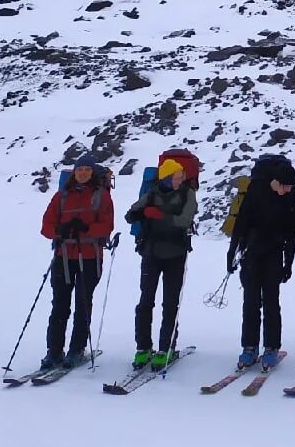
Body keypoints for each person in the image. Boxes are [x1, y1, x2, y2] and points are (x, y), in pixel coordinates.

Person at [38, 152, 116, 369]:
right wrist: (59, 230)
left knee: (83, 303)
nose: (83, 173)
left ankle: (76, 349)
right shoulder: (61, 196)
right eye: (80, 170)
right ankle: (53, 352)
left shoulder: (101, 196)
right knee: (60, 305)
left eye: (87, 170)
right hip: (64, 256)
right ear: (75, 172)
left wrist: (86, 230)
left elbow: (107, 225)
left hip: (90, 256)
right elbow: (46, 225)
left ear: (92, 173)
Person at [228, 153, 295, 369]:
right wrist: (232, 252)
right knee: (250, 302)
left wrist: (289, 263)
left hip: (274, 255)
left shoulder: (289, 197)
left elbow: (293, 233)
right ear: (277, 182)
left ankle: (271, 347)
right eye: (286, 187)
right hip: (251, 255)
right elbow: (240, 224)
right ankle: (249, 347)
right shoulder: (256, 191)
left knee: (271, 301)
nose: (288, 191)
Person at [126, 155, 197, 370]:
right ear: (166, 177)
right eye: (176, 177)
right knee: (146, 300)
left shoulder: (187, 194)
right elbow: (130, 215)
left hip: (174, 253)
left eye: (181, 176)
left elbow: (184, 220)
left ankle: (166, 348)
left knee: (170, 302)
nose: (180, 180)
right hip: (151, 253)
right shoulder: (151, 193)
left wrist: (155, 215)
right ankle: (143, 348)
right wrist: (143, 212)